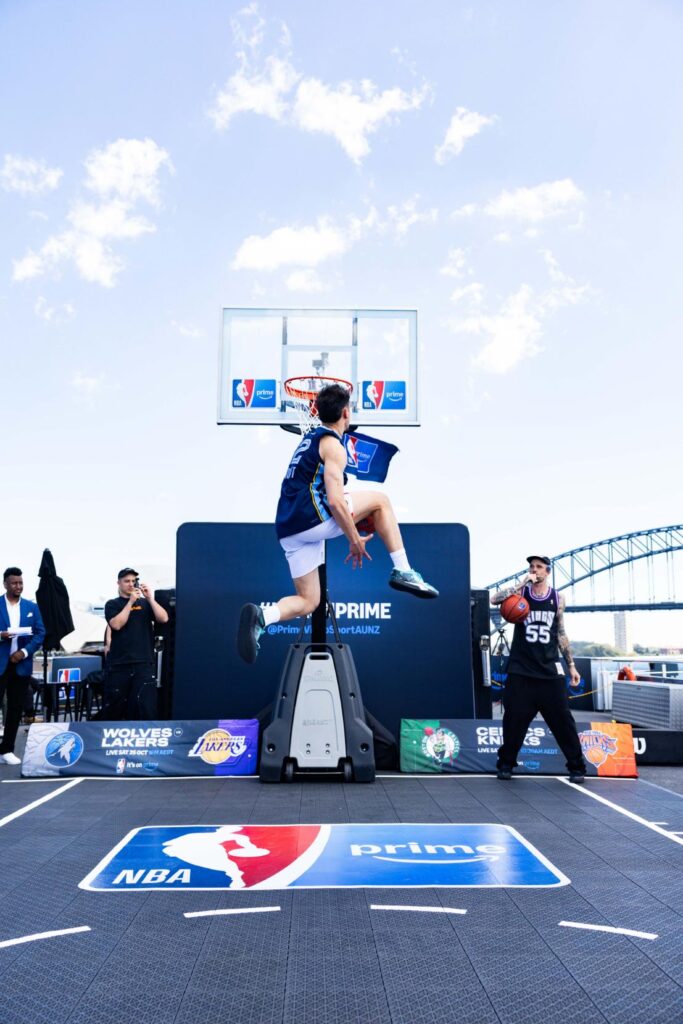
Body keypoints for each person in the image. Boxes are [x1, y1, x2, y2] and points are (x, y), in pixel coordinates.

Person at [237, 383, 438, 663]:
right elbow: (334, 502)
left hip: (289, 529)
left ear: (317, 411)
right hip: (312, 518)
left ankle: (262, 616)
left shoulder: (308, 441)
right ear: (346, 412)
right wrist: (354, 538)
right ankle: (403, 571)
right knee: (381, 501)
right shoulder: (333, 445)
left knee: (309, 601)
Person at [490, 555, 587, 783]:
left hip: (549, 671)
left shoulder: (557, 598)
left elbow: (561, 633)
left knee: (563, 721)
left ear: (548, 571)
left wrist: (571, 665)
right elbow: (494, 599)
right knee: (513, 720)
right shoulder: (520, 594)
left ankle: (577, 766)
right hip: (521, 669)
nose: (534, 570)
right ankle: (506, 764)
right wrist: (522, 582)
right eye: (531, 566)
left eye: (539, 567)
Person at [102, 569, 168, 720]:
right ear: (118, 583)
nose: (131, 584)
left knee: (145, 705)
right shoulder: (112, 604)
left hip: (143, 662)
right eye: (127, 581)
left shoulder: (145, 603)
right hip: (120, 664)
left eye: (133, 581)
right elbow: (116, 625)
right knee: (116, 706)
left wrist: (150, 598)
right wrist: (130, 602)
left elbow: (163, 618)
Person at [0, 567, 46, 765]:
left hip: (21, 663)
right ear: (5, 584)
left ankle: (7, 750)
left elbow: (40, 633)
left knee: (16, 707)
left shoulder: (31, 607)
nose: (18, 586)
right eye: (14, 583)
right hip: (1, 663)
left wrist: (24, 652)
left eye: (20, 583)